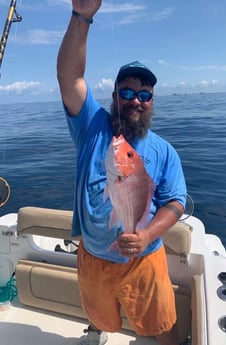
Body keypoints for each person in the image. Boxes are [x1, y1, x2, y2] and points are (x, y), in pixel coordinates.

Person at [57, 1, 187, 345]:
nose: (135, 100)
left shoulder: (163, 150)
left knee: (162, 324)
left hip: (144, 258)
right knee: (102, 318)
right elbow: (69, 76)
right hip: (93, 257)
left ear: (152, 101)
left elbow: (175, 202)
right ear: (115, 96)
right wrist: (82, 15)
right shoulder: (92, 126)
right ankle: (98, 331)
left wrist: (144, 236)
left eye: (144, 94)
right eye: (127, 92)